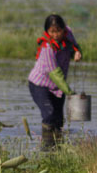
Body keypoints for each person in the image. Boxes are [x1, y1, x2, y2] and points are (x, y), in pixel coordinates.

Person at [27, 13, 83, 149]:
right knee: (49, 114)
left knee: (58, 120)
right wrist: (70, 92)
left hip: (58, 87)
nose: (56, 35)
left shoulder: (68, 34)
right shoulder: (47, 47)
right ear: (47, 32)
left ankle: (57, 147)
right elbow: (55, 73)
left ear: (63, 29)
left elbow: (74, 46)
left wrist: (77, 52)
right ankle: (47, 148)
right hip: (40, 84)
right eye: (52, 32)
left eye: (58, 31)